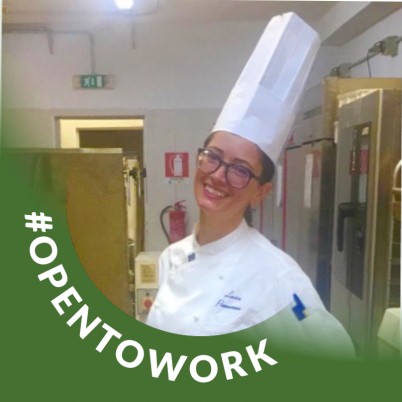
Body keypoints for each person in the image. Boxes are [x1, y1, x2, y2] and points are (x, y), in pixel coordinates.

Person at [146, 13, 355, 357]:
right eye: (213, 156)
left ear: (261, 192)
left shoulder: (279, 279)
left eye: (240, 170)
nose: (218, 175)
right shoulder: (172, 257)